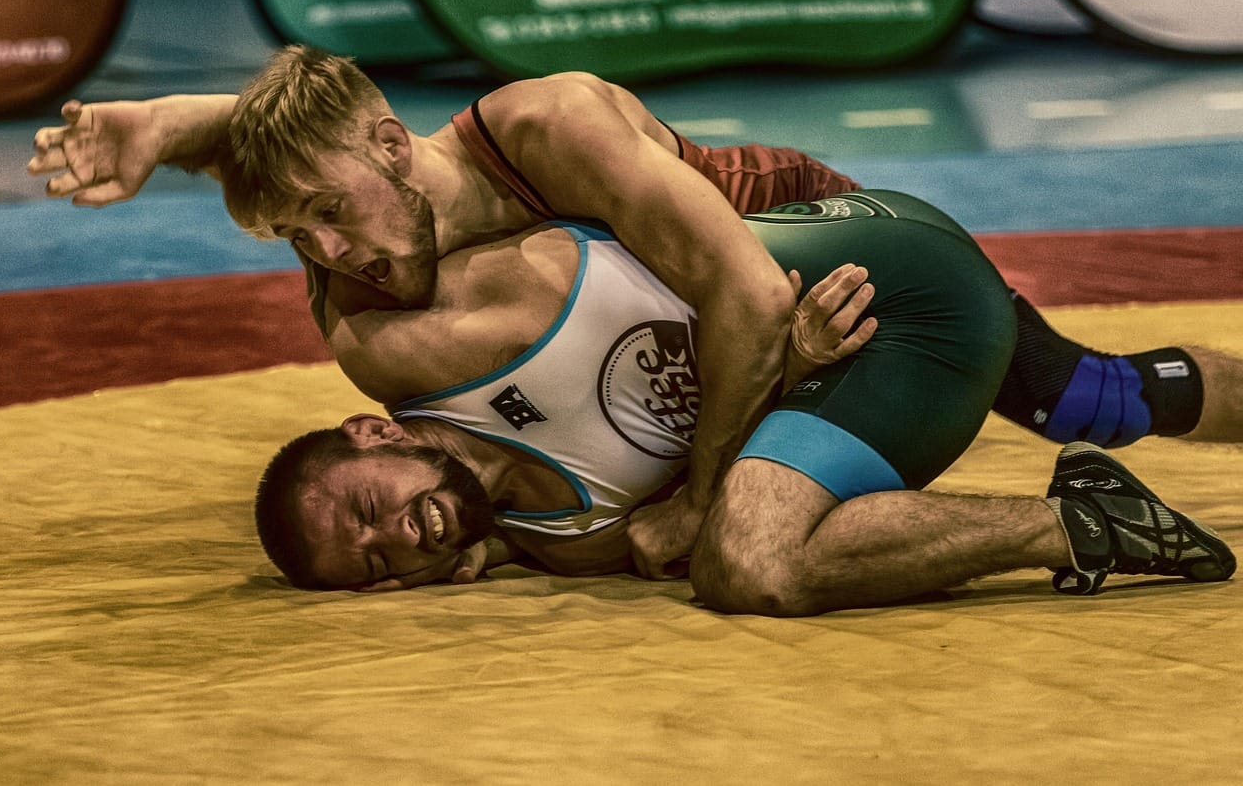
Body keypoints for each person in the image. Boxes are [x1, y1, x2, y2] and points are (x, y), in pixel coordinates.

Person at [27, 46, 1243, 580]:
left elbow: (747, 294)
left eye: (324, 216)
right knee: (1098, 395)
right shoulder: (364, 293)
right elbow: (306, 137)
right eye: (295, 238)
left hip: (805, 245)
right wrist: (174, 128)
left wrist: (711, 486)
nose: (326, 252)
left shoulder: (543, 130)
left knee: (1084, 399)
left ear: (395, 148)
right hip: (715, 314)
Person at [252, 191, 1234, 613]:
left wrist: (776, 350)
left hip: (850, 282)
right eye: (374, 564)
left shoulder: (441, 333)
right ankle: (1092, 500)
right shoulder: (558, 532)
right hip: (847, 327)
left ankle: (1081, 525)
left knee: (750, 556)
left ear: (370, 428)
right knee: (1097, 397)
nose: (396, 535)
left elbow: (384, 178)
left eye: (365, 508)